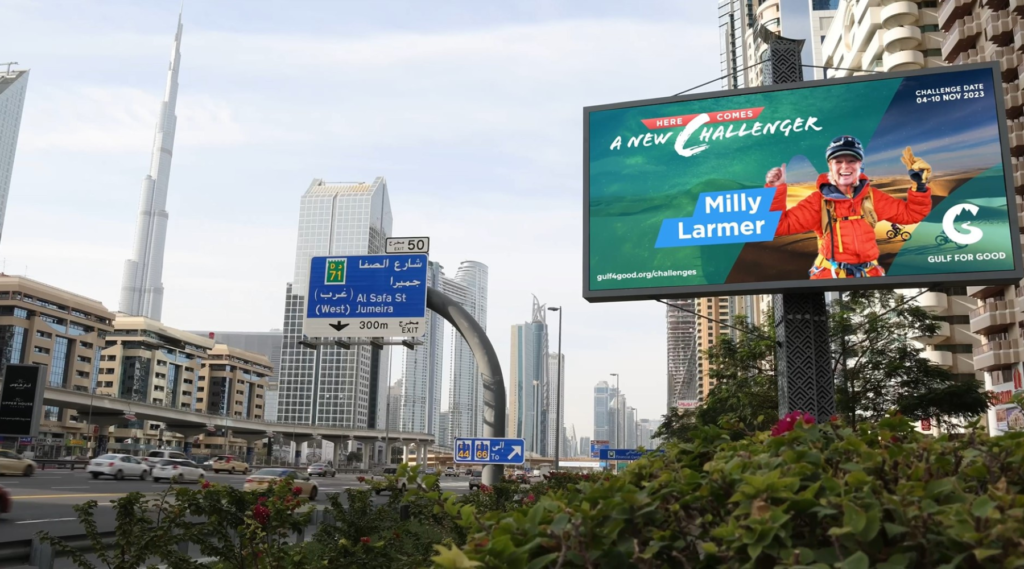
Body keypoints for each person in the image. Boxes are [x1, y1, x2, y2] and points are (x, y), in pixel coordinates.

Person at [764, 135, 933, 279]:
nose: (845, 166)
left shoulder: (872, 197)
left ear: (860, 166)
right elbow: (777, 226)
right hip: (829, 277)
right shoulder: (818, 201)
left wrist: (920, 186)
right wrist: (775, 189)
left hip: (870, 275)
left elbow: (912, 214)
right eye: (838, 161)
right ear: (830, 166)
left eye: (852, 160)